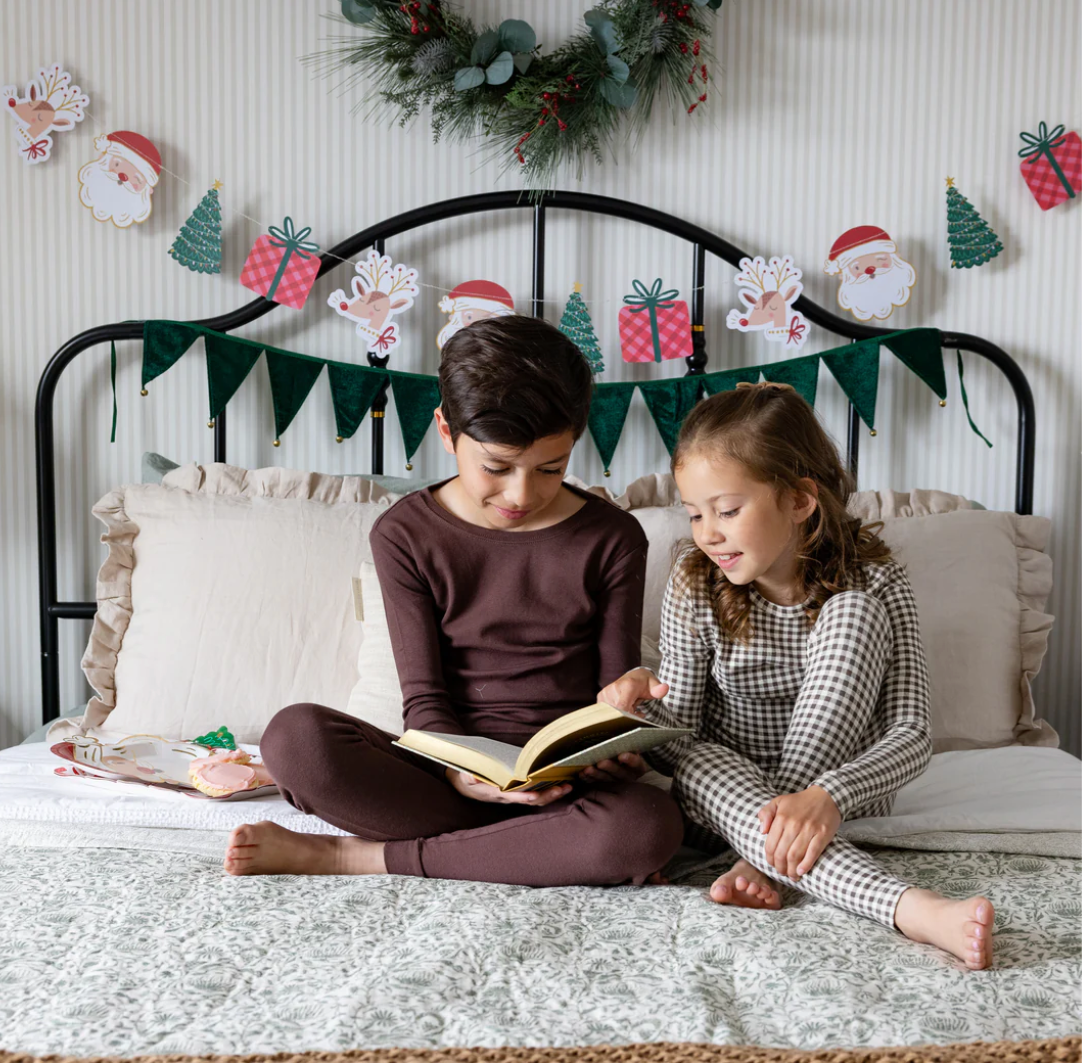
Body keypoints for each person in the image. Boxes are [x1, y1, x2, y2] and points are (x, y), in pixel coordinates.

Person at [224, 316, 683, 886]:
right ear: (445, 430)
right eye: (496, 467)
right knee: (295, 738)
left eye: (550, 468)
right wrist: (458, 771)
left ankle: (352, 856)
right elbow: (424, 698)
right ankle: (516, 850)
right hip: (441, 778)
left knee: (645, 827)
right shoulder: (404, 533)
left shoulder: (612, 537)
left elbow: (613, 697)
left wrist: (617, 747)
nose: (521, 493)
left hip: (565, 789)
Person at [599, 382, 995, 970]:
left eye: (728, 511)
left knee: (852, 609)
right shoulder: (694, 582)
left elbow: (911, 736)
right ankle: (914, 908)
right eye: (695, 514)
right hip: (725, 804)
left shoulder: (877, 584)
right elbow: (678, 733)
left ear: (800, 499)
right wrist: (637, 704)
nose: (708, 533)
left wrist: (826, 796)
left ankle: (763, 861)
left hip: (841, 801)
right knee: (702, 760)